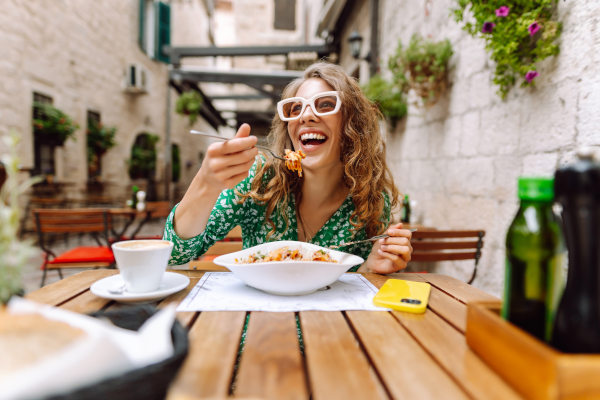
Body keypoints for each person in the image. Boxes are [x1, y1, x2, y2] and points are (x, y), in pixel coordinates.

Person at [163, 62, 412, 273]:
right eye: (295, 108)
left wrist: (373, 265)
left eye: (325, 104)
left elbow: (356, 288)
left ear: (352, 126)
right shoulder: (257, 181)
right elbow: (173, 256)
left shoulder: (370, 202)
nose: (305, 116)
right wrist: (206, 185)